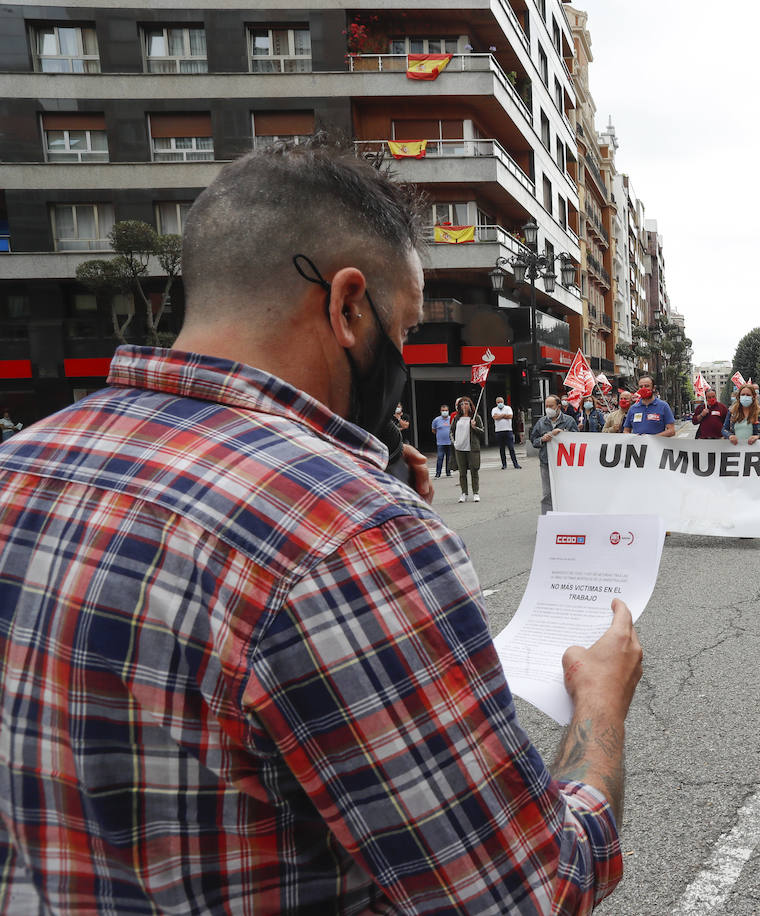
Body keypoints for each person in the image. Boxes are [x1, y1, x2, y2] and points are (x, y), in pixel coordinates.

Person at [0, 140, 639, 912]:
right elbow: (531, 892)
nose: (400, 356)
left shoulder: (22, 462)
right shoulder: (350, 534)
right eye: (401, 329)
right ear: (345, 305)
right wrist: (600, 703)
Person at [531, 394, 578, 514]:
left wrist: (563, 434)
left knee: (565, 491)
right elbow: (534, 440)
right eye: (546, 406)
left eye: (551, 406)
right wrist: (542, 439)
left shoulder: (569, 421)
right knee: (547, 493)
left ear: (558, 406)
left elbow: (577, 440)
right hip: (546, 462)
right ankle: (548, 519)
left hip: (565, 463)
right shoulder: (541, 422)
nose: (548, 409)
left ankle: (566, 516)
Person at [450, 396, 483, 502]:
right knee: (462, 472)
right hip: (459, 448)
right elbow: (451, 431)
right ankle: (464, 493)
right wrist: (454, 442)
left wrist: (474, 427)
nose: (464, 406)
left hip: (471, 448)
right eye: (462, 404)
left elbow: (482, 431)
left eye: (466, 403)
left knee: (474, 470)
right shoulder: (456, 418)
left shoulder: (475, 417)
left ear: (470, 405)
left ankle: (476, 492)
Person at [490, 395, 520, 469]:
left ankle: (515, 464)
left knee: (511, 448)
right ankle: (504, 464)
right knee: (502, 449)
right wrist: (504, 415)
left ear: (503, 402)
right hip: (499, 431)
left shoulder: (508, 408)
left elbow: (510, 416)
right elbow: (495, 417)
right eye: (498, 402)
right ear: (496, 403)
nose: (500, 403)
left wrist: (501, 415)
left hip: (508, 430)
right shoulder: (494, 409)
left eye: (501, 402)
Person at [431, 402, 453, 477]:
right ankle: (438, 474)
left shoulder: (451, 419)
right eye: (443, 410)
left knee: (449, 458)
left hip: (449, 442)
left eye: (446, 410)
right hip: (440, 443)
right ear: (440, 411)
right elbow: (433, 430)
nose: (444, 412)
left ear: (448, 411)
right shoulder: (436, 420)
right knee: (440, 458)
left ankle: (448, 472)